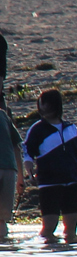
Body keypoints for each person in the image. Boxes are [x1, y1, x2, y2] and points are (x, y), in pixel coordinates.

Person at [20, 89, 77, 245]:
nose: (40, 106)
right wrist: (29, 172)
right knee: (49, 228)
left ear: (52, 104)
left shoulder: (72, 129)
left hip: (72, 183)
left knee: (71, 231)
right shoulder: (37, 130)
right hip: (49, 184)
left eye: (43, 102)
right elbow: (28, 154)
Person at [0, 72, 20, 241]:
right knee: (3, 218)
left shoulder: (4, 117)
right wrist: (21, 176)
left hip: (7, 167)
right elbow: (17, 146)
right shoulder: (4, 117)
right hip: (9, 169)